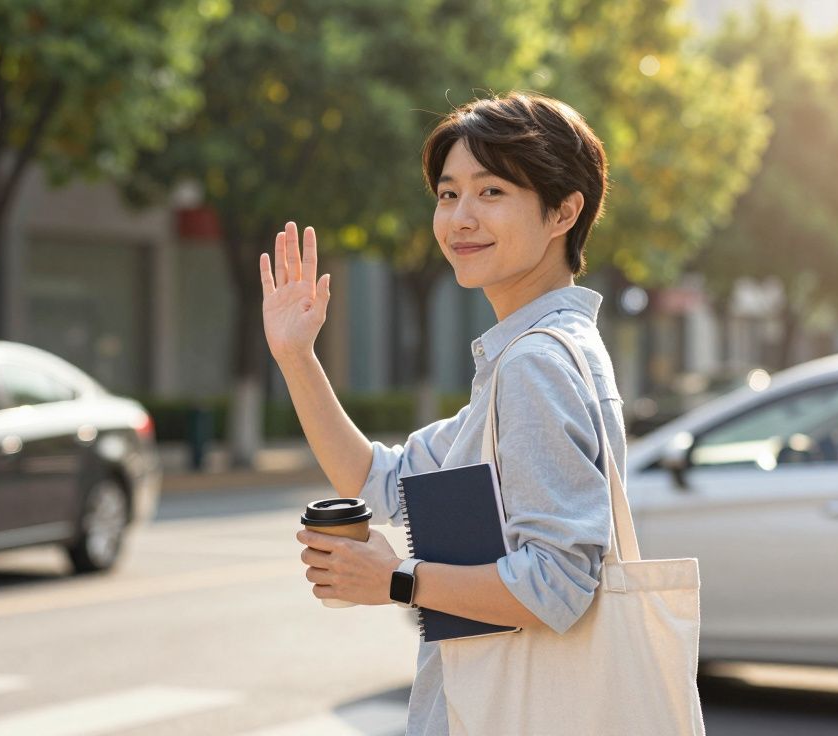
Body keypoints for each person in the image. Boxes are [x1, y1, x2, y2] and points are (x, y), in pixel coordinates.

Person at [259, 91, 625, 736]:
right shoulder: (534, 354)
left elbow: (560, 582)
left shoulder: (534, 364)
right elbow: (383, 481)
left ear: (564, 211)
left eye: (491, 193)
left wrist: (398, 581)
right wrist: (296, 357)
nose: (460, 218)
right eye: (448, 193)